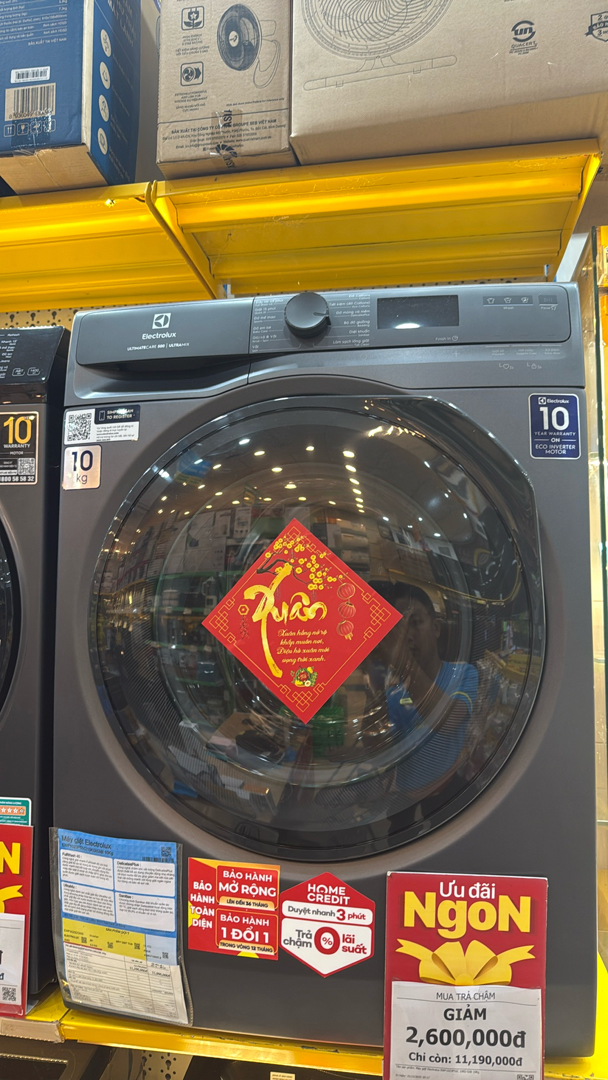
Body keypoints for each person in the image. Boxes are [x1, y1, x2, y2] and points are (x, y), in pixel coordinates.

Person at [382, 584, 479, 799]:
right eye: (398, 630)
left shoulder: (463, 673)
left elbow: (450, 720)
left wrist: (403, 662)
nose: (407, 637)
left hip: (449, 793)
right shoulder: (394, 690)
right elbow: (383, 747)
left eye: (415, 623)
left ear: (436, 628)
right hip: (406, 797)